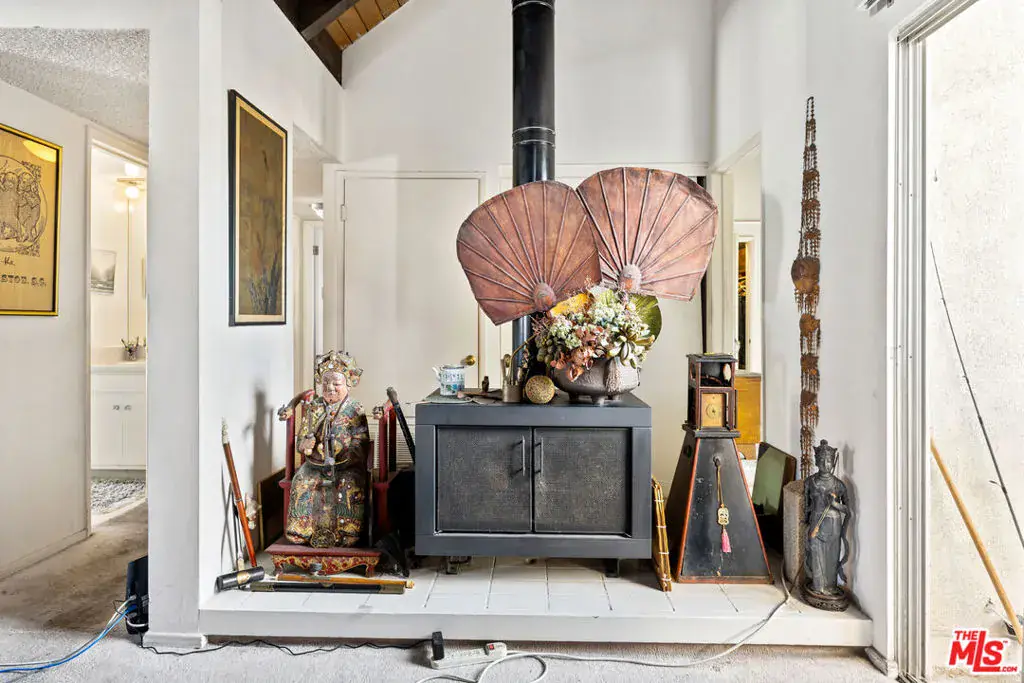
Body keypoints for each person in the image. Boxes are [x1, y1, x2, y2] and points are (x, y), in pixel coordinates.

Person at [283, 350, 370, 548]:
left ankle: (348, 530)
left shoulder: (354, 408)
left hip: (346, 465)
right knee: (302, 481)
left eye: (336, 383)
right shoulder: (314, 407)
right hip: (315, 464)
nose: (330, 388)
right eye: (326, 383)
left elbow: (361, 440)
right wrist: (305, 445)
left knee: (349, 483)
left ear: (347, 384)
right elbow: (302, 437)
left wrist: (344, 450)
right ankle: (301, 529)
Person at [803, 439, 850, 601]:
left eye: (829, 460)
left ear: (833, 462)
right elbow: (807, 506)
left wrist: (835, 504)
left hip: (833, 525)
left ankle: (830, 586)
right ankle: (818, 587)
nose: (825, 464)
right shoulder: (810, 482)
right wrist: (805, 522)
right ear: (816, 461)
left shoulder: (839, 485)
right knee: (815, 554)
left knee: (831, 557)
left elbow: (847, 510)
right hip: (816, 521)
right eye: (821, 460)